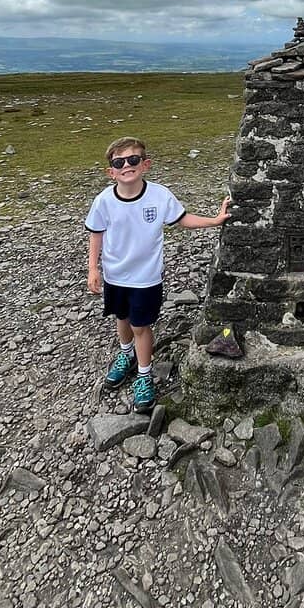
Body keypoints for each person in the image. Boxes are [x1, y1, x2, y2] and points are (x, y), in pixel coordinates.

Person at [86, 137, 230, 413]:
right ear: (111, 172)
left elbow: (182, 219)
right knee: (122, 317)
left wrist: (214, 221)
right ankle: (126, 355)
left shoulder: (160, 195)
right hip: (115, 276)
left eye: (133, 160)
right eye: (119, 162)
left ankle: (143, 374)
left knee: (141, 326)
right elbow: (96, 233)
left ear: (146, 164)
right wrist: (93, 268)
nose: (127, 165)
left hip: (146, 278)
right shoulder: (103, 201)